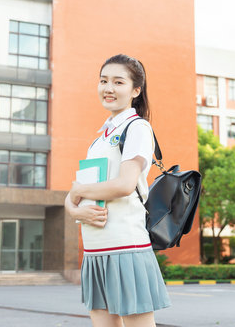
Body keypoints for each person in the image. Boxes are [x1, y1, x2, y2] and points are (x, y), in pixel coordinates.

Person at [65, 54, 170, 327]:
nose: (108, 88)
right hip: (95, 249)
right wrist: (74, 208)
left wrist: (78, 191)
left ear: (136, 90)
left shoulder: (137, 128)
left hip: (126, 245)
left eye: (118, 82)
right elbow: (81, 192)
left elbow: (124, 185)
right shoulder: (99, 138)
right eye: (103, 81)